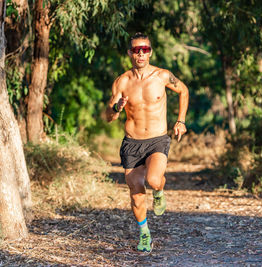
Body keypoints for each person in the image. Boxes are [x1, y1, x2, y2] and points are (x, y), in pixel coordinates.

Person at [105, 32, 189, 253]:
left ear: (150, 52)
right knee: (136, 193)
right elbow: (108, 116)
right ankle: (144, 235)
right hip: (132, 143)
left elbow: (183, 90)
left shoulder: (162, 76)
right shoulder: (122, 81)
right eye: (135, 49)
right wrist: (116, 108)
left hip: (157, 140)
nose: (140, 53)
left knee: (153, 179)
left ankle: (159, 191)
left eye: (144, 49)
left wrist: (180, 120)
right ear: (130, 53)